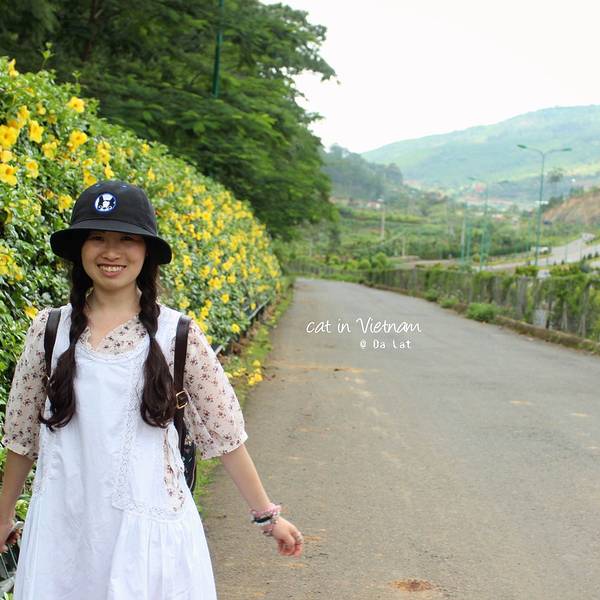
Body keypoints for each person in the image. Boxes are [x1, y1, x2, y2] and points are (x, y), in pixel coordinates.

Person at [0, 180, 303, 599]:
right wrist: (4, 516)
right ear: (79, 249)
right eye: (97, 238)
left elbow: (226, 436)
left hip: (149, 539)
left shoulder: (178, 335)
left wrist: (267, 516)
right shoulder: (48, 331)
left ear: (146, 251)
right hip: (62, 534)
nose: (111, 252)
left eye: (127, 239)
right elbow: (21, 438)